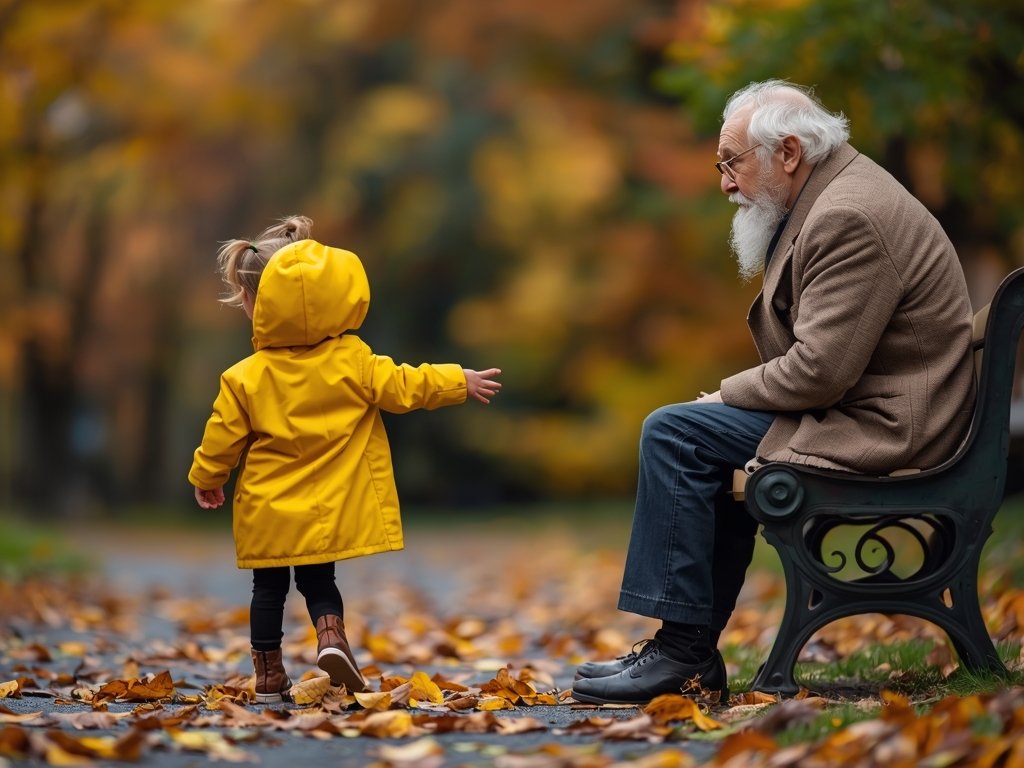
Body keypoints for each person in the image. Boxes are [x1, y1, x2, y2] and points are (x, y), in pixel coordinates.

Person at [571, 80, 976, 705]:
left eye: (731, 162)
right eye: (719, 165)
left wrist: (726, 396)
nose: (725, 183)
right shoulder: (834, 196)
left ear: (787, 153)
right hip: (869, 410)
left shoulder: (848, 213)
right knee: (693, 438)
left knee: (677, 432)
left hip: (889, 426)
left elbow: (820, 370)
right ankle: (686, 651)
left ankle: (683, 652)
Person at [188, 215, 502, 704]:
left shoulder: (245, 376)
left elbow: (220, 436)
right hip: (329, 506)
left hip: (268, 509)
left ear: (255, 305)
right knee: (320, 581)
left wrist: (207, 476)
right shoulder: (354, 359)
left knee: (267, 591)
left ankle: (268, 673)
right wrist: (457, 380)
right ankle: (331, 637)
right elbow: (405, 385)